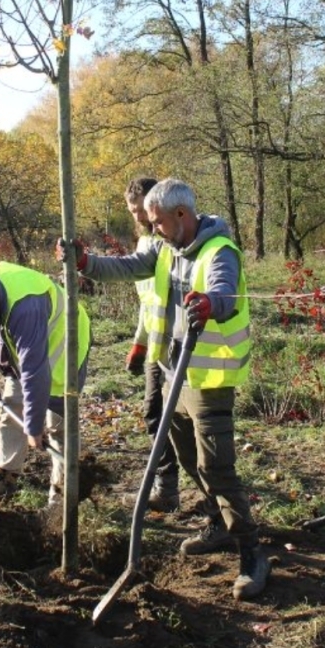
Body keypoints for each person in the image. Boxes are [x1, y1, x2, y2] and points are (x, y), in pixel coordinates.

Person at [58, 178, 269, 601]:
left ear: (181, 215)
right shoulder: (161, 247)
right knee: (188, 459)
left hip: (208, 380)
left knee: (216, 468)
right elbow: (124, 267)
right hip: (173, 371)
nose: (151, 228)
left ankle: (252, 551)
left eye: (156, 221)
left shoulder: (219, 251)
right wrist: (83, 262)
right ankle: (216, 523)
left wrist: (212, 304)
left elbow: (226, 290)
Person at [0, 263, 91, 506]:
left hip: (64, 348)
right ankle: (6, 477)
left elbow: (34, 370)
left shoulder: (25, 306)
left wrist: (34, 427)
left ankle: (61, 498)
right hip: (21, 354)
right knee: (12, 409)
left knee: (58, 426)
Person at [124, 177, 181, 513]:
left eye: (142, 210)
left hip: (174, 343)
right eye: (133, 211)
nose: (139, 216)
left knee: (175, 421)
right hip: (153, 340)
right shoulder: (145, 243)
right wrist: (139, 343)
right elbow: (149, 301)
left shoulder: (168, 243)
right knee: (153, 414)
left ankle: (179, 490)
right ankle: (167, 488)